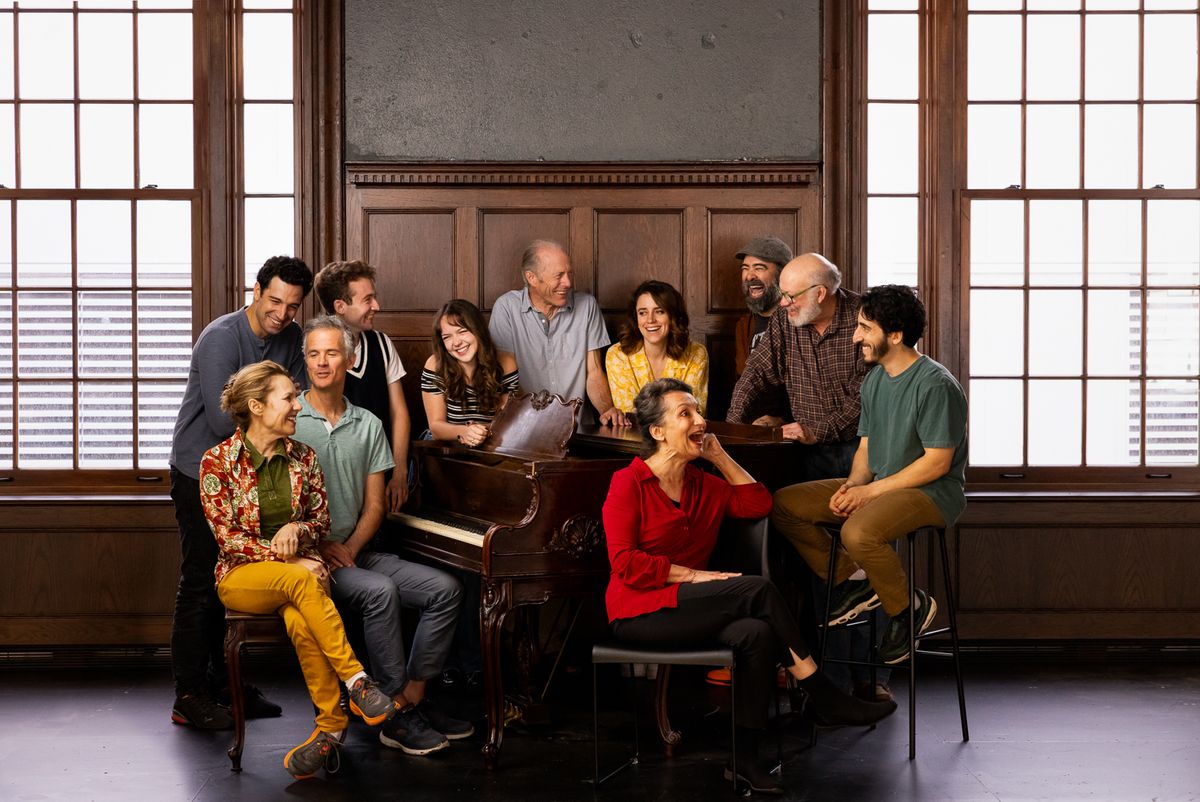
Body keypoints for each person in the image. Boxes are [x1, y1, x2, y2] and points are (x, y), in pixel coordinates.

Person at [603, 378, 896, 795]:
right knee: (756, 590)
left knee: (757, 634)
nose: (699, 420)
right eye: (685, 414)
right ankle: (821, 694)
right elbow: (624, 563)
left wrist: (720, 457)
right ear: (657, 431)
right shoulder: (628, 482)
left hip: (691, 608)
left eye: (697, 410)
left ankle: (744, 759)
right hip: (638, 612)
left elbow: (759, 503)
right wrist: (694, 575)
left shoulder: (703, 485)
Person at [200, 360, 396, 780]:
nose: (297, 406)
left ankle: (330, 728)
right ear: (257, 406)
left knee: (302, 621)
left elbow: (320, 520)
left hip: (297, 579)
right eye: (288, 398)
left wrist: (297, 528)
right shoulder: (217, 462)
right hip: (240, 576)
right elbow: (228, 538)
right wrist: (286, 557)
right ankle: (357, 681)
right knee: (301, 578)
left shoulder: (304, 457)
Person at [292, 316, 473, 756]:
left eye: (331, 353)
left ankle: (410, 697)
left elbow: (375, 505)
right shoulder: (289, 419)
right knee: (380, 591)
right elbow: (276, 506)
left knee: (446, 590)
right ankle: (392, 717)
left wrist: (351, 548)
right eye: (313, 354)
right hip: (309, 560)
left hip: (356, 551)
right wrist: (320, 548)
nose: (322, 362)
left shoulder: (369, 424)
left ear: (349, 359)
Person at [771, 285, 968, 666]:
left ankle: (908, 609)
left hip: (932, 492)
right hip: (883, 483)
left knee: (858, 532)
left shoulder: (936, 384)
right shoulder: (875, 380)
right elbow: (865, 447)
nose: (855, 337)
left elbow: (936, 464)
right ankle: (854, 582)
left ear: (895, 335)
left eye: (865, 328)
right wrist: (853, 485)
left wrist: (870, 493)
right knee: (786, 505)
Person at [727, 253, 885, 699]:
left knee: (868, 561)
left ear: (820, 293)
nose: (782, 304)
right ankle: (834, 681)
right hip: (809, 459)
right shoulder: (787, 320)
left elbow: (870, 396)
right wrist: (730, 432)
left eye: (790, 296)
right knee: (824, 570)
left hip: (863, 454)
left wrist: (820, 429)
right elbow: (755, 374)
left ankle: (872, 678)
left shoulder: (864, 320)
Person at [168, 255, 312, 731]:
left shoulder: (291, 336)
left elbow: (296, 406)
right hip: (200, 470)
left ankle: (225, 686)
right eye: (275, 301)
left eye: (292, 306)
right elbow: (219, 420)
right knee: (200, 580)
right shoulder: (221, 338)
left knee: (232, 576)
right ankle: (189, 695)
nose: (282, 313)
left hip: (253, 473)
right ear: (256, 291)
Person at [488, 240, 627, 427]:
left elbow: (594, 372)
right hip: (528, 430)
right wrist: (536, 425)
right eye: (559, 275)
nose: (568, 283)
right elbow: (507, 379)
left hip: (578, 431)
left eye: (569, 273)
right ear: (532, 278)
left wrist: (607, 410)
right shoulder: (506, 308)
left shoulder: (587, 306)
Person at [314, 260, 411, 511]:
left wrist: (400, 471)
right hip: (333, 479)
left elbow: (399, 412)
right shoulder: (313, 352)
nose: (376, 306)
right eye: (368, 300)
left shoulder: (381, 344)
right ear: (340, 306)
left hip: (381, 471)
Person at [421, 299, 520, 446]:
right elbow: (436, 428)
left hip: (489, 445)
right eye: (447, 337)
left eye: (462, 332)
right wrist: (465, 432)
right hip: (445, 447)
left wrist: (480, 432)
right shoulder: (435, 365)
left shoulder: (506, 364)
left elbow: (505, 422)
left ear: (478, 331)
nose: (456, 343)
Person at [606, 279, 709, 417]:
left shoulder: (696, 353)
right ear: (635, 318)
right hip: (633, 431)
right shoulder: (618, 355)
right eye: (642, 313)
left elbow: (693, 412)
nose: (650, 320)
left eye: (659, 311)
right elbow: (630, 415)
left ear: (673, 315)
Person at [733, 236, 793, 426]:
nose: (749, 276)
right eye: (745, 268)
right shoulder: (744, 325)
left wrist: (783, 419)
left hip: (792, 430)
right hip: (751, 427)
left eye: (759, 268)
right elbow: (743, 381)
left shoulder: (797, 321)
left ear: (782, 274)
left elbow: (810, 387)